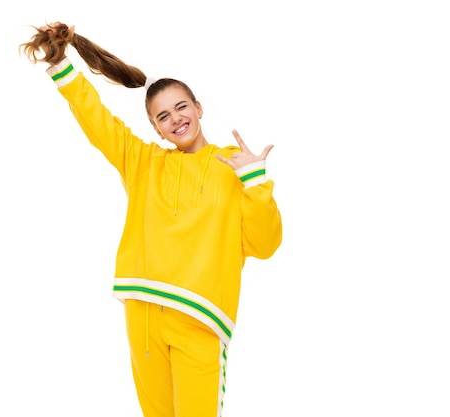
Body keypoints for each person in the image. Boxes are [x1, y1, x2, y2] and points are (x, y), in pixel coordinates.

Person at [20, 22, 282, 417]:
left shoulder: (233, 167)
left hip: (199, 318)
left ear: (198, 108)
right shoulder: (143, 162)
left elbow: (265, 246)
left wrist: (255, 181)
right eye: (163, 116)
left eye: (181, 107)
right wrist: (62, 67)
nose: (176, 119)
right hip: (142, 314)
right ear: (156, 129)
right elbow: (98, 121)